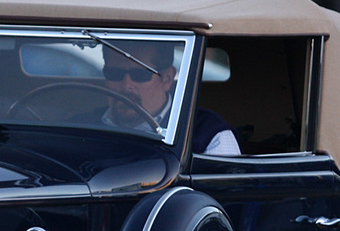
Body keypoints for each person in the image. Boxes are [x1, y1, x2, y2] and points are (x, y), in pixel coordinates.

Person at [99, 40, 239, 155]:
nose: (126, 85)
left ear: (167, 78)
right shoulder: (85, 126)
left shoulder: (208, 134)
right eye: (114, 73)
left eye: (140, 75)